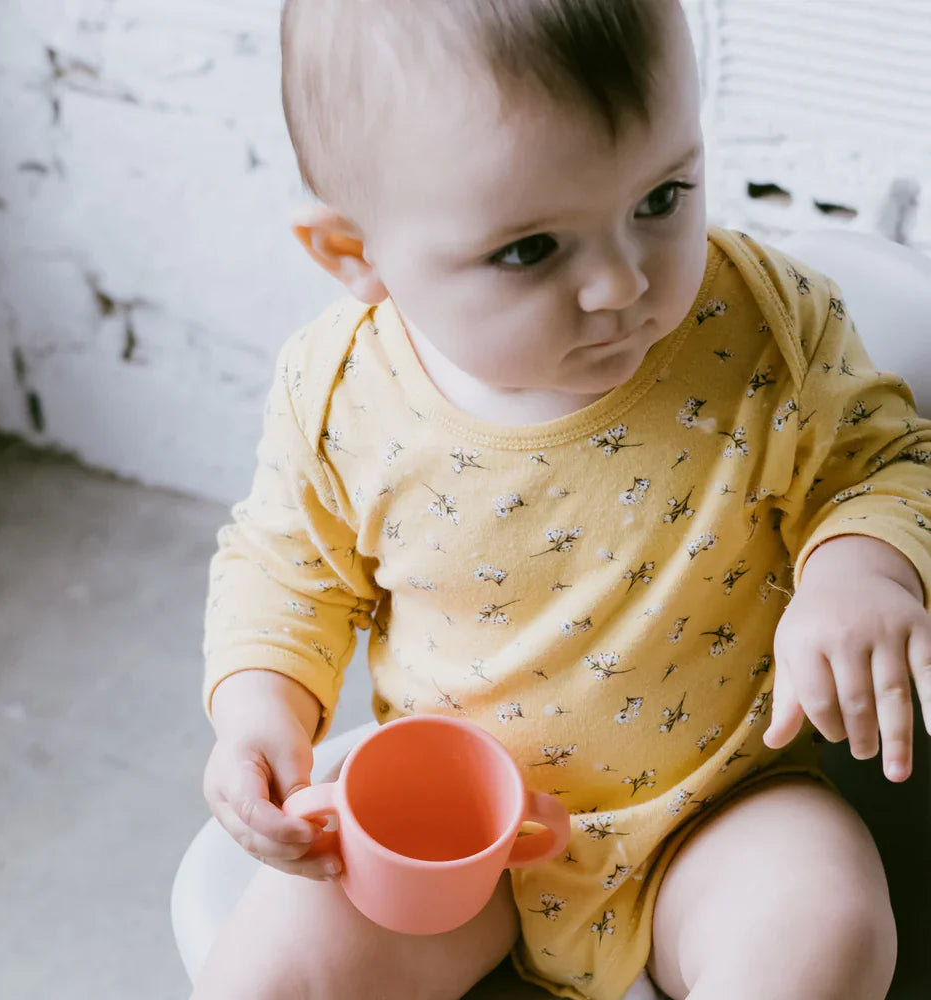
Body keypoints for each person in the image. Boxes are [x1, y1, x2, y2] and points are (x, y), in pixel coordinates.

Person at [192, 2, 931, 998]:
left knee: (823, 928)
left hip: (722, 806)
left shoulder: (764, 327)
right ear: (352, 255)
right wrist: (258, 715)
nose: (620, 283)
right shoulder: (342, 396)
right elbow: (284, 570)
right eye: (531, 250)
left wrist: (858, 567)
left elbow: (882, 457)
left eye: (662, 197)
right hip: (456, 826)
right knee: (269, 972)